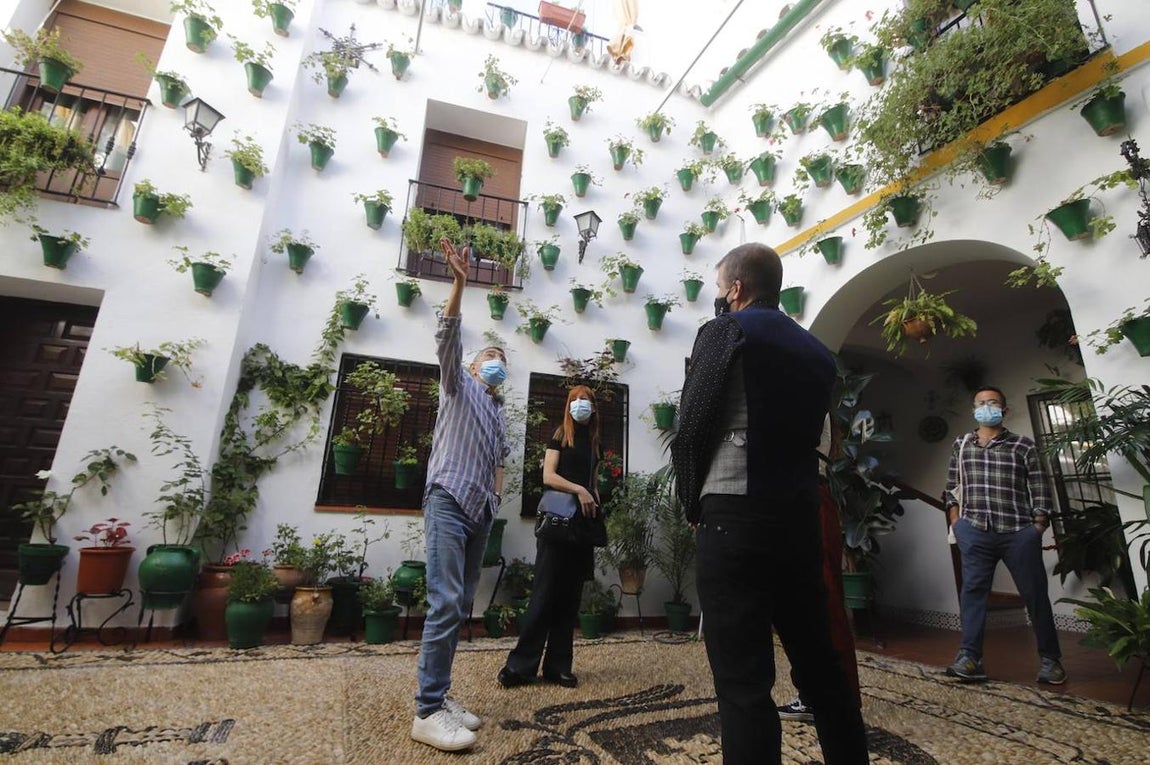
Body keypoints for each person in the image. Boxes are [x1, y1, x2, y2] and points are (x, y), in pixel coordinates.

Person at [671, 242, 868, 765]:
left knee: (743, 681)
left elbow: (690, 428)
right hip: (799, 518)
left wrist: (692, 504)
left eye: (719, 288)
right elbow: (825, 438)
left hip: (734, 518)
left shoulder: (725, 331)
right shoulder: (817, 353)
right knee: (820, 665)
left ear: (736, 288)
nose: (718, 297)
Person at [411, 237, 510, 753]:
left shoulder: (498, 414)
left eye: (501, 359)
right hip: (448, 498)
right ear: (473, 367)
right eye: (489, 357)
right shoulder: (458, 385)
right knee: (445, 600)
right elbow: (447, 337)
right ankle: (426, 711)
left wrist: (493, 510)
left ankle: (441, 695)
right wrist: (459, 282)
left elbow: (499, 466)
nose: (496, 362)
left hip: (479, 512)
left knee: (461, 603)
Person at [944, 386, 1065, 685]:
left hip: (1018, 532)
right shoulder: (962, 444)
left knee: (1035, 595)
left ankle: (1051, 661)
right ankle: (970, 658)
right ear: (973, 409)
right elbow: (951, 485)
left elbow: (1040, 485)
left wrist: (1037, 526)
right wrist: (957, 521)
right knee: (973, 594)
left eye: (993, 402)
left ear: (1004, 410)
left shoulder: (1023, 446)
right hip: (975, 531)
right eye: (980, 403)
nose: (986, 407)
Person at [498, 385, 601, 690]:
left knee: (570, 598)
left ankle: (558, 667)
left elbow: (593, 484)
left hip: (582, 527)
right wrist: (580, 490)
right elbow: (549, 477)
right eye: (574, 400)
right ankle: (520, 666)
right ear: (568, 405)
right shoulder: (560, 435)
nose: (579, 404)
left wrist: (594, 500)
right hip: (557, 525)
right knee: (544, 594)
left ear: (594, 408)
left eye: (585, 400)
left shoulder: (595, 443)